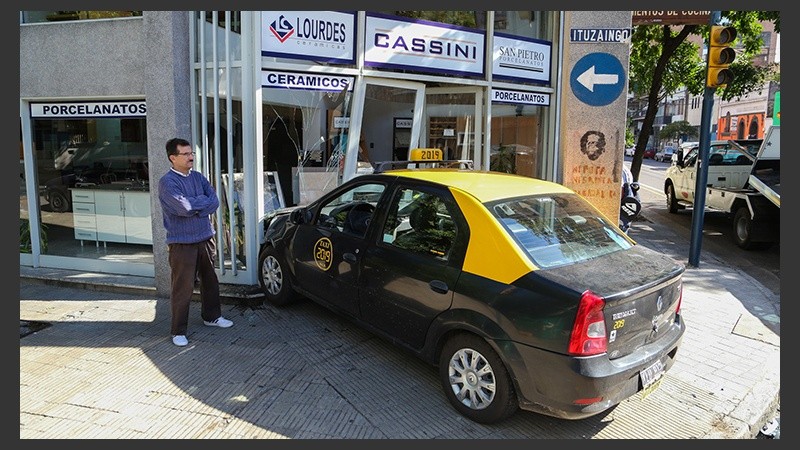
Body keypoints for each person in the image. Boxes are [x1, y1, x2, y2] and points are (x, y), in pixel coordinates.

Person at [158, 137, 233, 347]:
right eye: (186, 154)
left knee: (210, 281)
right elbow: (182, 207)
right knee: (183, 287)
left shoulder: (199, 177)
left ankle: (212, 317)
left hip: (205, 238)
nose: (191, 157)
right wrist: (201, 203)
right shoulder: (167, 182)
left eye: (192, 153)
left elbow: (215, 201)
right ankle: (178, 330)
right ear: (173, 158)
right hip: (182, 243)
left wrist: (196, 204)